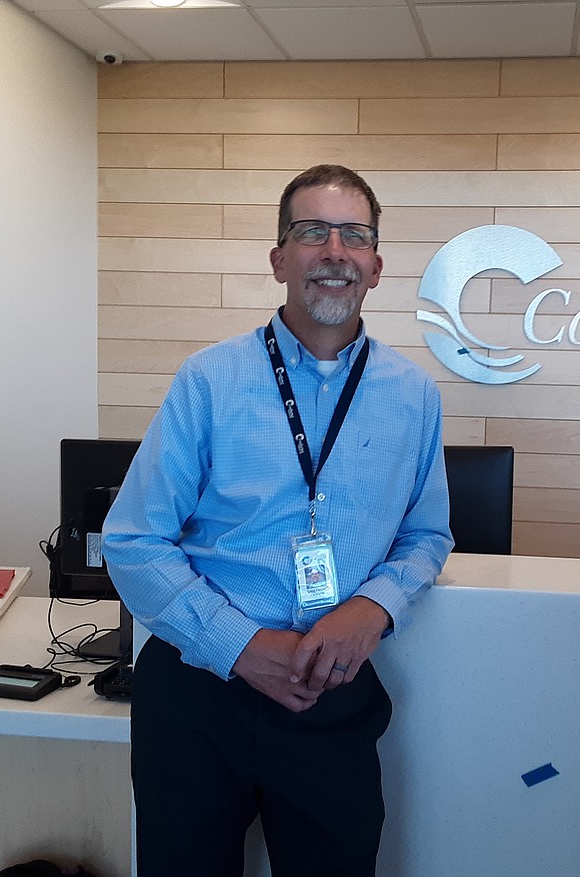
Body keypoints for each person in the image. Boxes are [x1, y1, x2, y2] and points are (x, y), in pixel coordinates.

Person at [101, 164, 454, 876]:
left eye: (354, 235)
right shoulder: (209, 379)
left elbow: (427, 535)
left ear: (376, 266)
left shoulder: (413, 395)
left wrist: (372, 606)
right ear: (279, 259)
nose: (334, 250)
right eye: (311, 232)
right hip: (199, 694)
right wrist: (238, 643)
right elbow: (133, 540)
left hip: (330, 691)